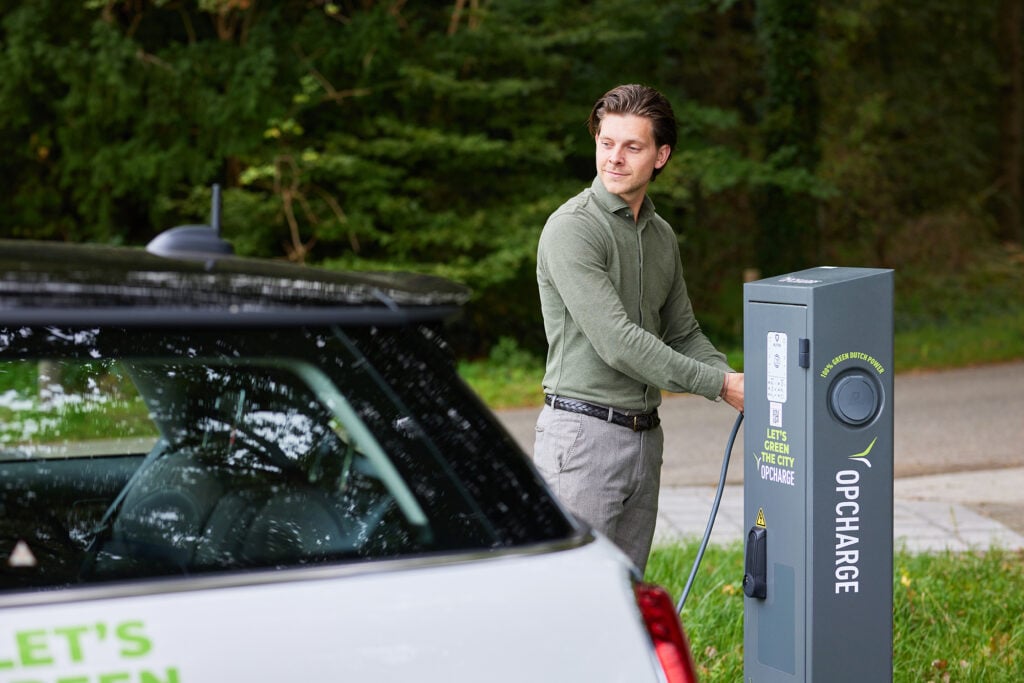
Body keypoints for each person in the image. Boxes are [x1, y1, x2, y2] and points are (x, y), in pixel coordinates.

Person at [534, 84, 744, 574]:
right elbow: (618, 342)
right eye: (607, 143)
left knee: (625, 604)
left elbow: (684, 331)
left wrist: (736, 382)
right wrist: (719, 385)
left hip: (645, 439)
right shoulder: (573, 229)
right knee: (574, 602)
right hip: (582, 438)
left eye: (632, 146)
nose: (614, 158)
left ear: (661, 155)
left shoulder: (661, 234)